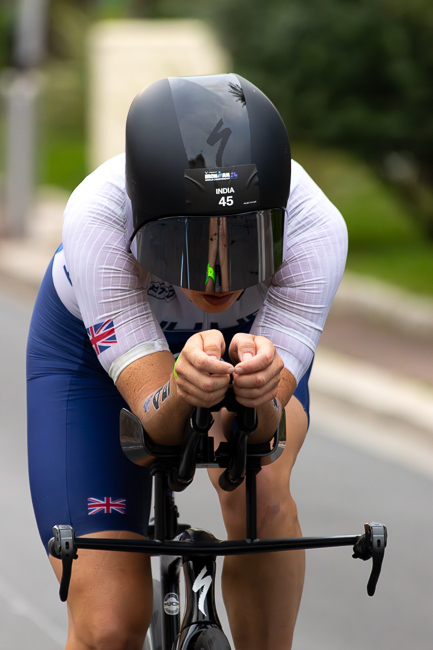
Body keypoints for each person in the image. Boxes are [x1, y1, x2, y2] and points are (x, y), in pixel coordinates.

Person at [27, 73, 347, 650]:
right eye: (190, 246)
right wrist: (178, 391)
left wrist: (260, 398)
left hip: (250, 346)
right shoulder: (98, 216)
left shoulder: (315, 228)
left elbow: (262, 432)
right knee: (109, 625)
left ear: (276, 221)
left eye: (247, 243)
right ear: (142, 220)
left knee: (260, 485)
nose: (218, 279)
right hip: (89, 363)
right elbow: (156, 420)